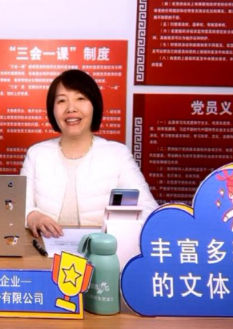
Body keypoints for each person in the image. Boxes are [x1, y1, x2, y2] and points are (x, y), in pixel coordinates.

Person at [21, 69, 158, 238]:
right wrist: (32, 216)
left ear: (94, 105)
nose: (71, 108)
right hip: (45, 248)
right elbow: (19, 206)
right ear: (52, 109)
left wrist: (116, 232)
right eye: (62, 100)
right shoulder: (36, 154)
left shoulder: (117, 155)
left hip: (104, 250)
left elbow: (148, 208)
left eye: (80, 98)